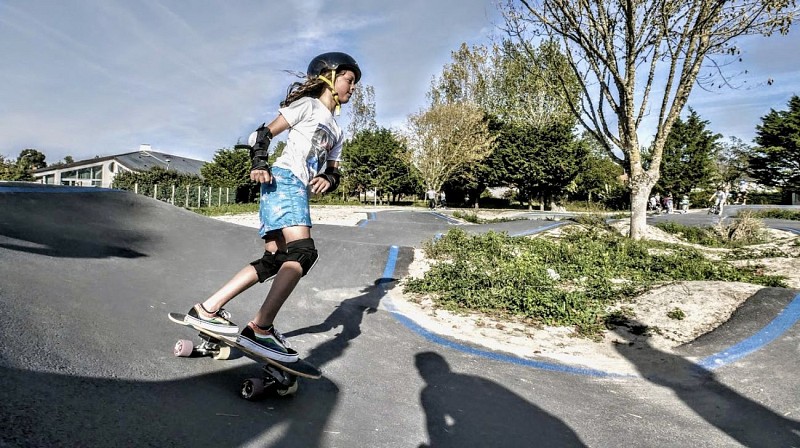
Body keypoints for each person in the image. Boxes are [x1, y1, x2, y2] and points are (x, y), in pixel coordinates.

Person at [181, 52, 361, 362]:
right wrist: (258, 162)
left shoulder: (338, 130)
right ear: (329, 78)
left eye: (355, 83)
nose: (353, 88)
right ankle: (261, 329)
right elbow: (262, 134)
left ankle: (207, 309)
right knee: (303, 253)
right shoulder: (308, 106)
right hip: (284, 179)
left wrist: (329, 180)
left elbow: (333, 169)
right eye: (349, 80)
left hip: (294, 189)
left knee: (275, 259)